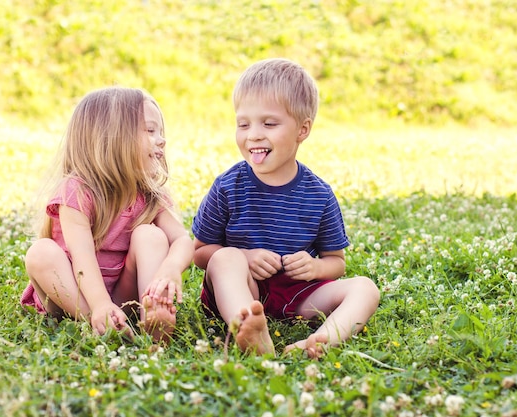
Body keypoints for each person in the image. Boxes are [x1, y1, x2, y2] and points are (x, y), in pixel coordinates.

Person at [192, 58, 380, 358]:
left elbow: (336, 261)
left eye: (269, 123)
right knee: (225, 257)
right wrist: (244, 256)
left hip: (297, 293)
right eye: (243, 124)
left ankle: (320, 341)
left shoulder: (319, 194)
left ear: (302, 130)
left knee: (365, 288)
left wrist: (316, 267)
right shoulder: (228, 186)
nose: (253, 134)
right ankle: (250, 328)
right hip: (240, 288)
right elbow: (200, 252)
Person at [21, 86, 194, 344]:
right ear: (111, 137)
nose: (161, 139)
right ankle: (101, 322)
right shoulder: (76, 192)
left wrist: (170, 269)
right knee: (40, 253)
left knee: (151, 235)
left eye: (160, 131)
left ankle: (153, 310)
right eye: (149, 130)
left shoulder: (148, 193)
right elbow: (82, 257)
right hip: (73, 295)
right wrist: (100, 304)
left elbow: (182, 239)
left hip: (124, 295)